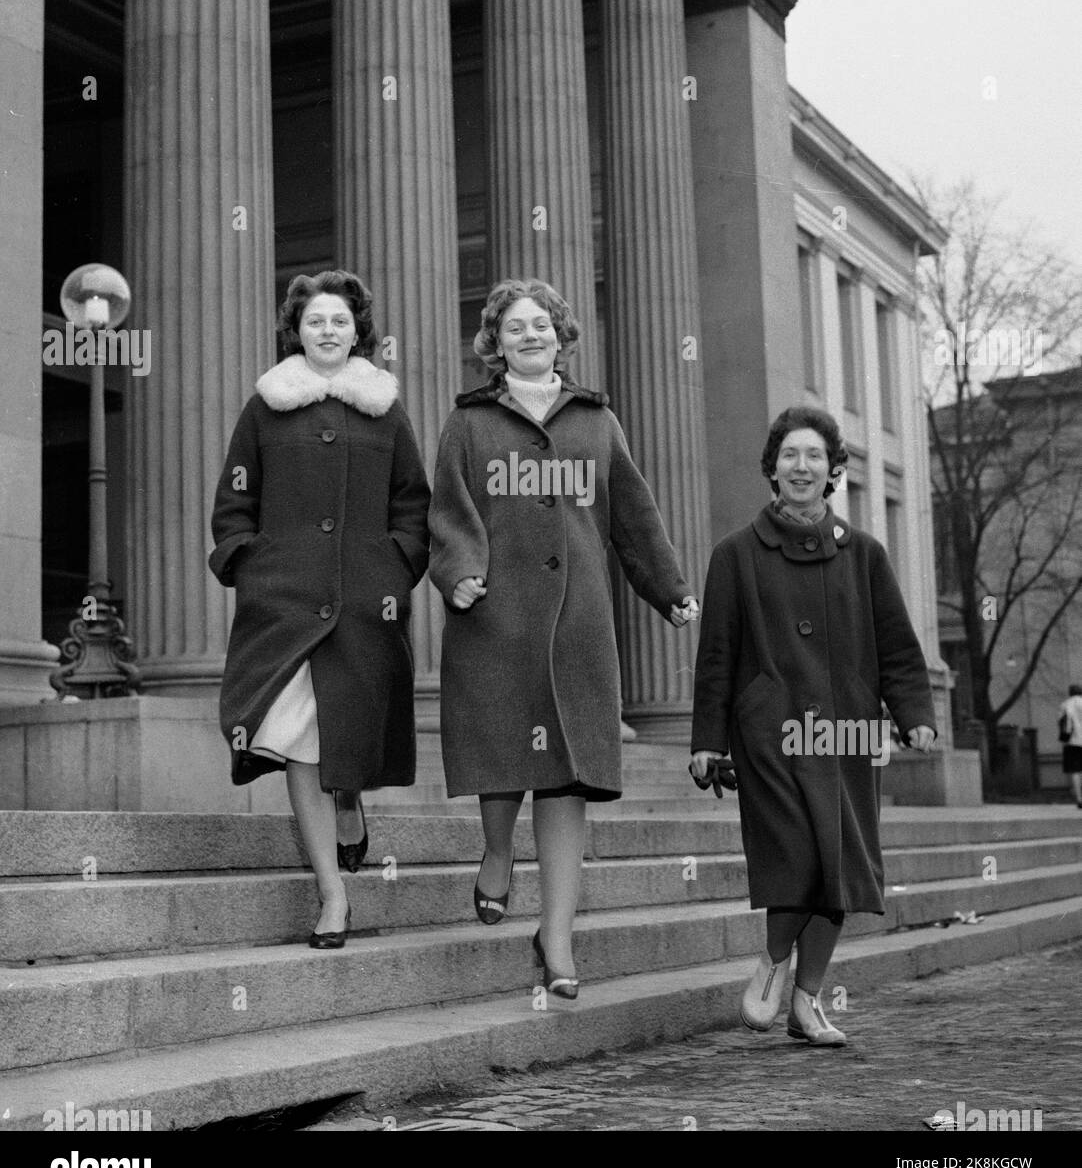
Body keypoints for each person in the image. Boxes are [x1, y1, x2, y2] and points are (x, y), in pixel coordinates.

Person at [429, 278, 698, 998]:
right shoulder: (470, 423)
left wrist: (669, 589)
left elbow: (633, 516)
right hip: (495, 616)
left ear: (561, 334)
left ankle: (557, 936)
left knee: (568, 775)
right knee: (501, 748)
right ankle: (494, 853)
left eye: (540, 325)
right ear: (494, 343)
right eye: (513, 327)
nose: (529, 335)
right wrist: (457, 574)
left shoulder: (596, 422)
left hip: (578, 621)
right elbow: (449, 513)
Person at [691, 405, 936, 1045]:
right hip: (768, 734)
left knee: (842, 867)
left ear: (832, 471)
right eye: (790, 456)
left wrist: (914, 717)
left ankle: (808, 1000)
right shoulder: (735, 554)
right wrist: (707, 741)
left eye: (814, 457)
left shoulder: (866, 556)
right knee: (796, 856)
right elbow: (716, 656)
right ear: (772, 468)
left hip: (846, 735)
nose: (802, 467)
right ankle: (774, 961)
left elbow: (898, 648)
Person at [209, 270, 430, 949]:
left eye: (339, 320)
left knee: (343, 733)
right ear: (296, 331)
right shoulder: (265, 408)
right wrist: (250, 565)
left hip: (364, 603)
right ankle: (332, 895)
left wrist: (394, 567)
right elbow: (233, 503)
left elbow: (413, 505)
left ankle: (350, 801)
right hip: (285, 606)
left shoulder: (385, 411)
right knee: (297, 739)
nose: (327, 331)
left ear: (358, 330)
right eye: (314, 322)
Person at [1058, 683, 1082, 808]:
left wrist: (1064, 738)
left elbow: (1062, 723)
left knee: (1075, 771)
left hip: (1072, 741)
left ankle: (1079, 798)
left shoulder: (1065, 705)